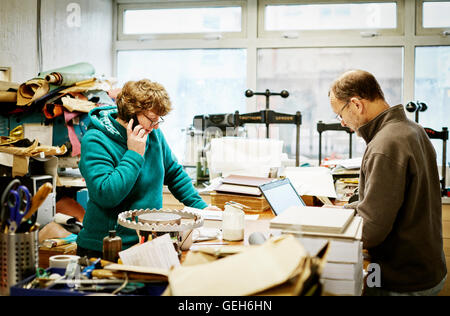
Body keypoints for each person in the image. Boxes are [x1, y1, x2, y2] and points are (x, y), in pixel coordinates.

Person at [328, 69, 447, 296]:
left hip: (401, 279)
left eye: (340, 114)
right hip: (425, 269)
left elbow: (371, 231)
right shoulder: (412, 130)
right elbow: (389, 201)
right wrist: (346, 209)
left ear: (356, 104)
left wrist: (324, 231)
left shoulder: (385, 145)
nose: (342, 122)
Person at [76, 79, 217, 258]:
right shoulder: (96, 139)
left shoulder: (152, 133)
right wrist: (134, 154)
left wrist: (200, 208)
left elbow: (174, 172)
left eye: (159, 120)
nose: (156, 126)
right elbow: (106, 195)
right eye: (152, 120)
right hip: (106, 248)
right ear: (130, 114)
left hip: (148, 240)